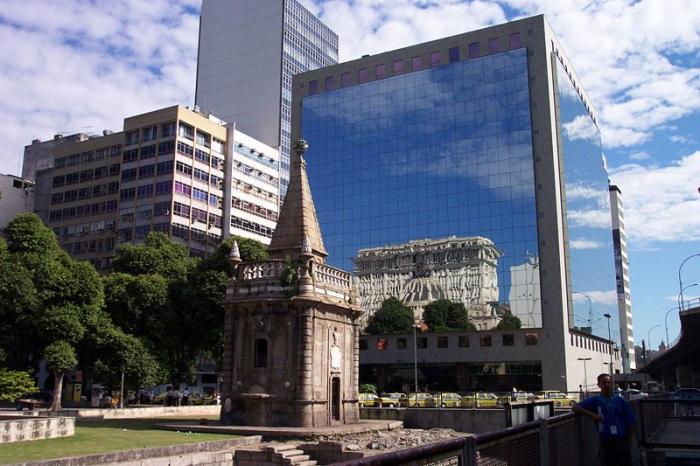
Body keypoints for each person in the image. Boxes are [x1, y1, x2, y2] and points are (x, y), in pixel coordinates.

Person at [572, 373, 636, 466]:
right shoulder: (595, 400)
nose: (607, 385)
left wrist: (628, 445)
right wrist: (593, 415)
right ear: (599, 385)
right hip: (606, 443)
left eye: (609, 382)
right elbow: (575, 407)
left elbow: (631, 423)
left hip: (621, 442)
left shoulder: (621, 401)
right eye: (604, 382)